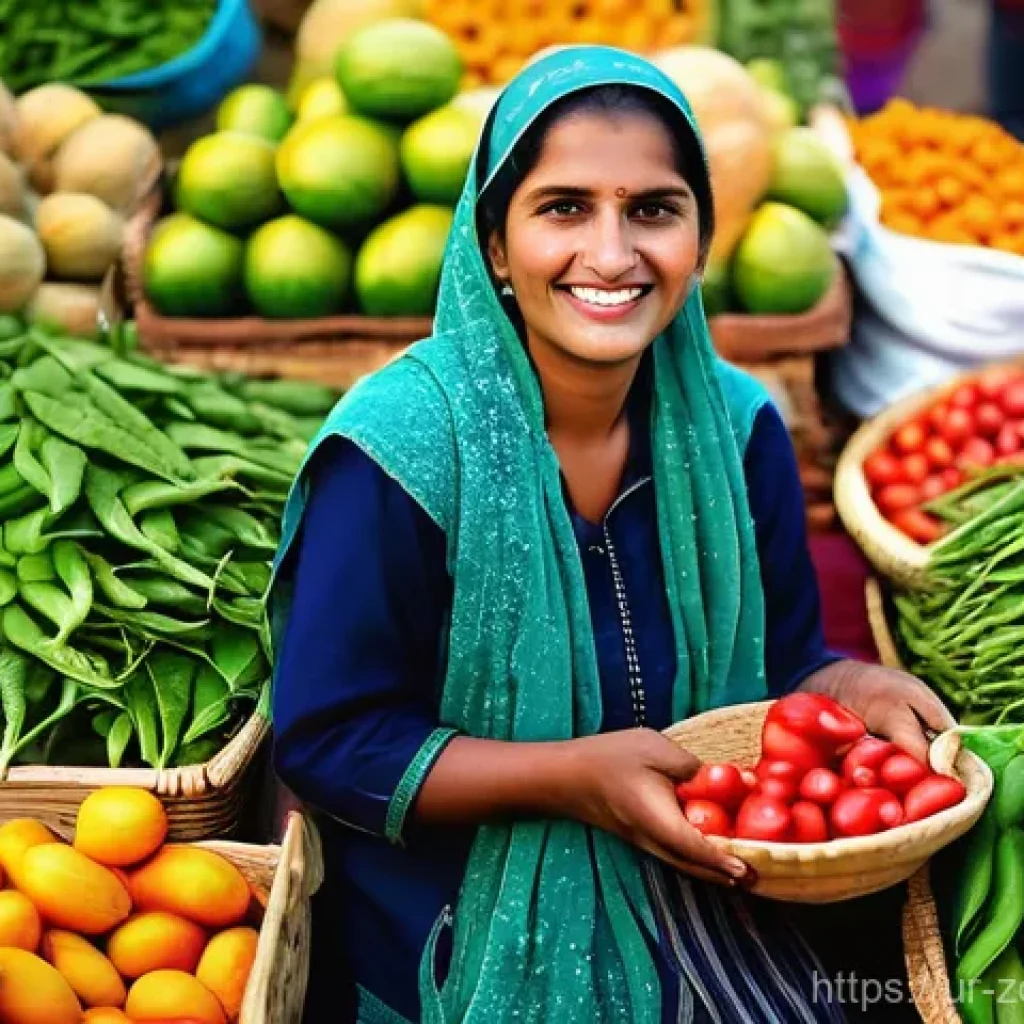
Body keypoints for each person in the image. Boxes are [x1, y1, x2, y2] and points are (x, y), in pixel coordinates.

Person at [270, 46, 955, 1024]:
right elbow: (331, 738)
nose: (610, 252)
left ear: (699, 236)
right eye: (562, 207)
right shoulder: (400, 453)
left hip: (715, 873)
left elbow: (783, 662)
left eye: (653, 209)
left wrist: (848, 683)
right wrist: (571, 778)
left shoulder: (738, 426)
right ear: (495, 246)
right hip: (448, 907)